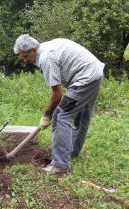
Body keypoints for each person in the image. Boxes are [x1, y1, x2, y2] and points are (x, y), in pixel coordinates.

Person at [13, 34, 105, 174]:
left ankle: (60, 164)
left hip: (85, 79)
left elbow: (57, 93)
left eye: (26, 56)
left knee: (60, 116)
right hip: (95, 74)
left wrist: (47, 115)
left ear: (34, 50)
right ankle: (71, 152)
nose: (25, 60)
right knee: (82, 117)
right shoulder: (47, 47)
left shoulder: (46, 58)